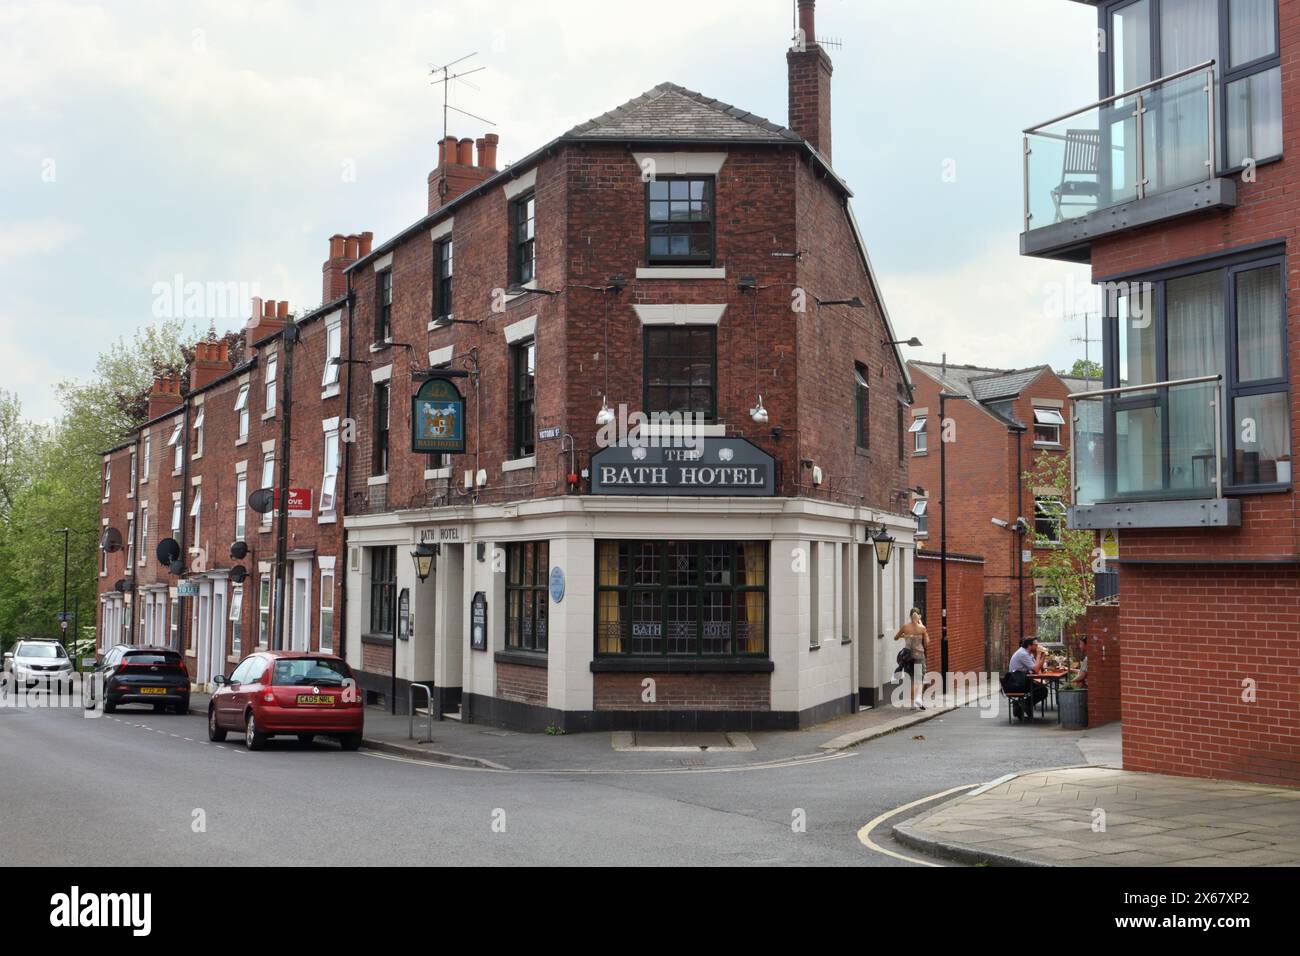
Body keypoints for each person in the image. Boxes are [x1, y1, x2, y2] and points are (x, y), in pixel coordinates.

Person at [893, 608, 930, 709]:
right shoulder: (922, 628)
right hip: (919, 656)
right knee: (920, 680)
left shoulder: (905, 627)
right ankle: (919, 700)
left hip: (908, 657)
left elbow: (895, 637)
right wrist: (923, 629)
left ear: (910, 616)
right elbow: (927, 644)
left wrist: (905, 636)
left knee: (913, 680)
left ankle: (913, 705)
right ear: (919, 616)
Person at [1007, 636, 1048, 720]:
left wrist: (1041, 656)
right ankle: (1024, 704)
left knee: (1041, 688)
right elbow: (1036, 669)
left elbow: (1036, 668)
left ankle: (1023, 705)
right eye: (1036, 645)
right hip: (1016, 683)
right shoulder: (1023, 654)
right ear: (1029, 646)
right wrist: (1042, 656)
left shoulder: (1028, 654)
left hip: (1021, 680)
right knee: (1043, 690)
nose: (1037, 647)